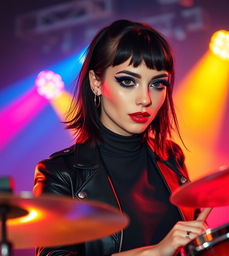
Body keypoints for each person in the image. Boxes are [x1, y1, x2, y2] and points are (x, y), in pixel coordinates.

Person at [33, 19, 207, 256]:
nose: (145, 99)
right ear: (96, 82)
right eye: (128, 81)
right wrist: (154, 253)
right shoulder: (59, 173)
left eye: (157, 84)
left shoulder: (171, 157)